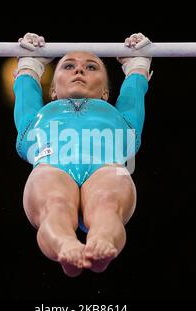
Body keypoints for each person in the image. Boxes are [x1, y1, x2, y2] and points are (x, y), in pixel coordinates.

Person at [13, 32, 152, 277]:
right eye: (68, 66)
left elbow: (133, 95)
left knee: (107, 202)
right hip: (51, 166)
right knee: (55, 203)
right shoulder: (36, 117)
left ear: (106, 94)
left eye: (91, 67)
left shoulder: (121, 118)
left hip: (106, 167)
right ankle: (64, 244)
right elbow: (25, 92)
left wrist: (138, 62)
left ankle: (103, 239)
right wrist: (29, 62)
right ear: (53, 90)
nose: (79, 71)